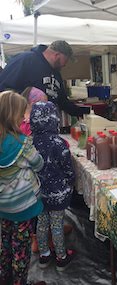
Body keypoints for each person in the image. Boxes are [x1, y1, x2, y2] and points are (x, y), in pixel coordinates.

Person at [0, 90, 46, 285]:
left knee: (5, 246)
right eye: (21, 113)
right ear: (13, 116)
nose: (23, 117)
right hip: (23, 206)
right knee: (21, 248)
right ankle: (20, 281)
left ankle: (5, 278)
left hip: (3, 206)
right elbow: (38, 164)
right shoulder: (22, 143)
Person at [30, 101, 76, 272]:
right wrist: (71, 181)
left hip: (38, 194)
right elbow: (68, 168)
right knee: (57, 225)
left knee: (41, 224)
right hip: (57, 194)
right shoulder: (59, 143)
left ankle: (44, 255)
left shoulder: (30, 142)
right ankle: (61, 258)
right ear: (54, 119)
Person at [0, 40, 90, 117]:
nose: (65, 64)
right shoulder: (25, 60)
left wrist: (85, 112)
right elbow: (4, 89)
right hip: (22, 124)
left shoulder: (56, 74)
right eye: (65, 60)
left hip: (45, 125)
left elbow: (63, 101)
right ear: (57, 55)